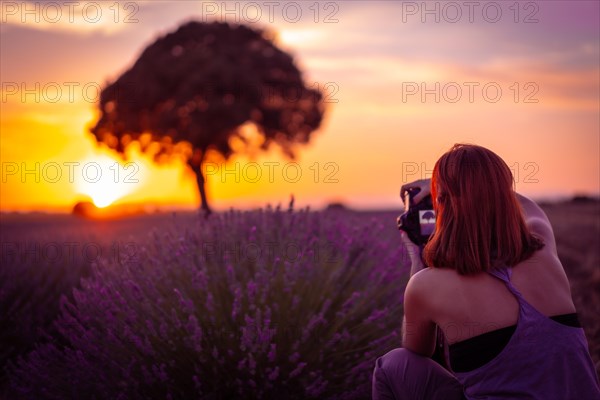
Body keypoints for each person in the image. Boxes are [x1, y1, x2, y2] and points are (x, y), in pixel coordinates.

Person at [372, 144, 600, 399]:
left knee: (393, 364)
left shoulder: (424, 286)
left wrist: (417, 255)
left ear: (443, 205)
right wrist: (455, 186)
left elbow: (418, 351)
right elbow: (520, 203)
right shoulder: (542, 246)